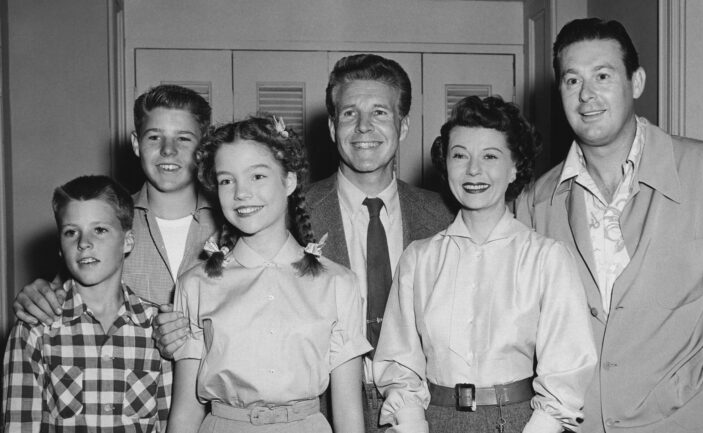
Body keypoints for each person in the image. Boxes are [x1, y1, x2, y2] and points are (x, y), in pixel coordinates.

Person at [515, 18, 703, 433]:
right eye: (571, 80)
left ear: (636, 82)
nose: (587, 96)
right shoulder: (535, 202)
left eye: (602, 75)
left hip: (691, 420)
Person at [373, 96, 596, 433]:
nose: (473, 170)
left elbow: (568, 368)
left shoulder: (546, 258)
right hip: (435, 420)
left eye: (490, 156)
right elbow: (399, 364)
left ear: (515, 167)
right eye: (460, 155)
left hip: (520, 422)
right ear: (445, 164)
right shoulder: (418, 260)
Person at [167, 115, 371, 433]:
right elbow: (184, 413)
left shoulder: (337, 283)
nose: (241, 193)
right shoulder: (195, 284)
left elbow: (348, 414)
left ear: (289, 180)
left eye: (258, 176)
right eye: (226, 180)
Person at [306, 53, 455, 432]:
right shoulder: (293, 215)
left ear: (403, 126)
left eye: (380, 113)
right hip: (322, 412)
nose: (363, 127)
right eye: (350, 113)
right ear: (331, 125)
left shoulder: (444, 216)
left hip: (424, 411)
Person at [12, 85, 218, 355]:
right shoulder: (105, 224)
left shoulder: (230, 227)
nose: (168, 150)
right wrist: (37, 297)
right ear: (136, 144)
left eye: (183, 139)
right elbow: (59, 297)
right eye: (154, 137)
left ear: (203, 148)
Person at [2, 175, 172, 432]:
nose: (83, 243)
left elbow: (170, 421)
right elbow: (19, 424)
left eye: (100, 230)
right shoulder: (34, 329)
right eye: (71, 232)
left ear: (127, 241)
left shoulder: (156, 329)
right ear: (60, 246)